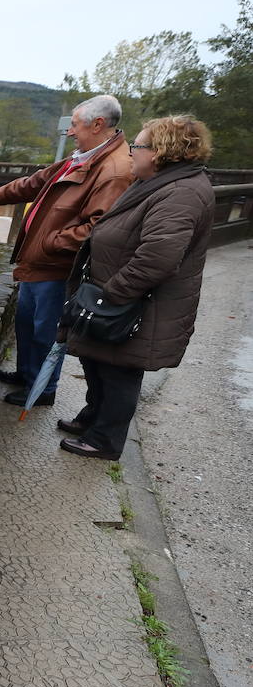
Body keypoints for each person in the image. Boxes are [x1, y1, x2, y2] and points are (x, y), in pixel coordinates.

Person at [57, 115, 215, 459]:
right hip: (118, 298)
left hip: (133, 304)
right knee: (98, 363)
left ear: (160, 153)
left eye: (137, 146)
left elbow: (157, 258)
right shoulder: (157, 182)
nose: (131, 152)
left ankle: (104, 440)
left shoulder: (181, 193)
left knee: (118, 372)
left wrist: (111, 293)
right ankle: (93, 419)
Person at [0, 95, 133, 407]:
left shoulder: (114, 169)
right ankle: (27, 374)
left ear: (98, 125)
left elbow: (100, 229)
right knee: (27, 323)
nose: (70, 131)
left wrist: (50, 241)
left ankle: (43, 389)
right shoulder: (83, 156)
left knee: (47, 331)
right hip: (40, 263)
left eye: (74, 125)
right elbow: (34, 182)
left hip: (59, 266)